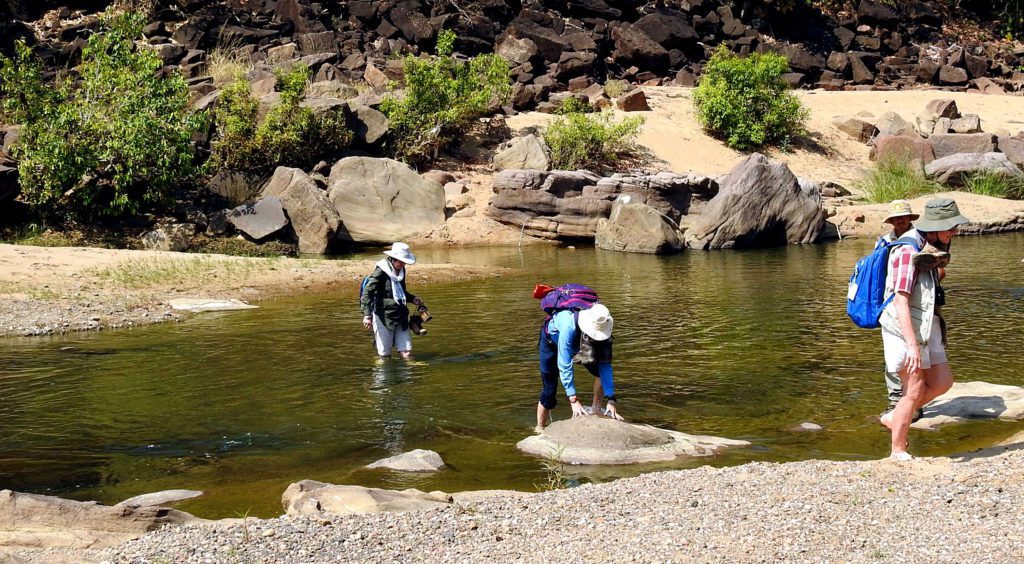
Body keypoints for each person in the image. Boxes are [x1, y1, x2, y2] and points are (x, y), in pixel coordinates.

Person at [878, 198, 969, 461]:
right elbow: (899, 299)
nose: (954, 231)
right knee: (914, 389)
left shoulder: (928, 244)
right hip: (903, 328)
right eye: (951, 227)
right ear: (936, 226)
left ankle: (894, 417)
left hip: (927, 324)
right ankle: (898, 451)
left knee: (943, 382)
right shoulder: (906, 250)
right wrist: (911, 345)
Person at [537, 301, 623, 431]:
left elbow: (605, 364)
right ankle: (540, 427)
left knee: (600, 374)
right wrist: (573, 399)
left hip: (581, 341)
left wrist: (611, 398)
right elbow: (564, 364)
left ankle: (596, 410)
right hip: (551, 342)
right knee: (549, 390)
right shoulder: (568, 326)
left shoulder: (604, 328)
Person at [876, 200, 920, 420]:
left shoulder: (920, 238)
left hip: (914, 303)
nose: (900, 220)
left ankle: (914, 403)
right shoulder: (883, 241)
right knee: (893, 356)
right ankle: (896, 401)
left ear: (911, 218)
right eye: (896, 217)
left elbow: (940, 272)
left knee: (915, 354)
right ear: (891, 221)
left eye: (904, 216)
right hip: (889, 304)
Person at [360, 242, 423, 360]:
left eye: (405, 262)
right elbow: (367, 292)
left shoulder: (402, 270)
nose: (403, 264)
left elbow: (400, 292)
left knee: (407, 353)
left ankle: (409, 374)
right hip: (384, 316)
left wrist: (412, 298)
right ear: (393, 259)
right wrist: (367, 315)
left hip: (401, 315)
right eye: (401, 261)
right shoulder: (381, 271)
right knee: (384, 355)